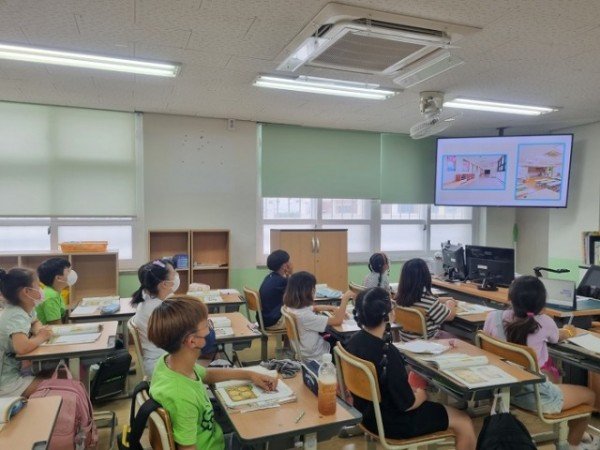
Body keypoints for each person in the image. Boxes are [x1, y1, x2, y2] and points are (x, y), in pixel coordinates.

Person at [346, 287, 476, 449]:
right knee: (463, 420)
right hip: (395, 423)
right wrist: (422, 394)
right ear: (387, 315)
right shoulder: (387, 354)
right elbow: (407, 404)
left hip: (366, 415)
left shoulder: (352, 342)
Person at [148, 296, 277, 450]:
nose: (211, 328)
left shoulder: (171, 362)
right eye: (206, 324)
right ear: (192, 341)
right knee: (262, 431)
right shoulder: (181, 397)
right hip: (215, 445)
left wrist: (250, 375)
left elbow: (207, 375)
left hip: (213, 437)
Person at [483, 275, 598, 450]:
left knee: (552, 376)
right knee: (589, 396)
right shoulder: (545, 322)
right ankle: (573, 445)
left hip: (503, 392)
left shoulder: (493, 317)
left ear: (509, 298)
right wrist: (567, 331)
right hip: (537, 397)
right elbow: (557, 336)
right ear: (542, 304)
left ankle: (579, 435)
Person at [0, 267, 53, 397]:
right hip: (7, 383)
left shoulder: (24, 309)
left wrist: (38, 330)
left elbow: (34, 321)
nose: (41, 289)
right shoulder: (15, 315)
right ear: (27, 292)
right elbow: (22, 348)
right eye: (38, 285)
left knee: (56, 372)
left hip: (15, 373)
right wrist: (41, 337)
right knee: (59, 386)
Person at [282, 271, 352, 360]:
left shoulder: (291, 307)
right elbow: (338, 321)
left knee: (330, 334)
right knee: (346, 342)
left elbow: (314, 308)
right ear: (307, 291)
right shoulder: (305, 316)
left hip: (304, 348)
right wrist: (345, 298)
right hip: (317, 354)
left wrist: (333, 308)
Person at [130, 259, 179, 377]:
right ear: (164, 284)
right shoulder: (158, 309)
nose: (177, 277)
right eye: (174, 275)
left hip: (157, 359)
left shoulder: (147, 297)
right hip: (161, 364)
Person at [395, 258, 457, 341]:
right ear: (425, 277)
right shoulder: (429, 302)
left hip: (407, 343)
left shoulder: (398, 299)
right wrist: (450, 303)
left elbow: (425, 301)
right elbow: (450, 316)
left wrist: (439, 299)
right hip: (429, 343)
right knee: (457, 339)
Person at [36, 257, 77, 324]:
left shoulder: (53, 291)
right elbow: (56, 326)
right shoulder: (51, 296)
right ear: (58, 278)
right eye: (68, 271)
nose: (72, 273)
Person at [259, 249, 292, 330]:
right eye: (289, 261)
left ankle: (287, 342)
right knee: (304, 318)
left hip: (264, 319)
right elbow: (296, 296)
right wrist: (291, 273)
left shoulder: (269, 277)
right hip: (273, 322)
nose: (291, 263)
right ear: (284, 266)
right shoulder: (282, 281)